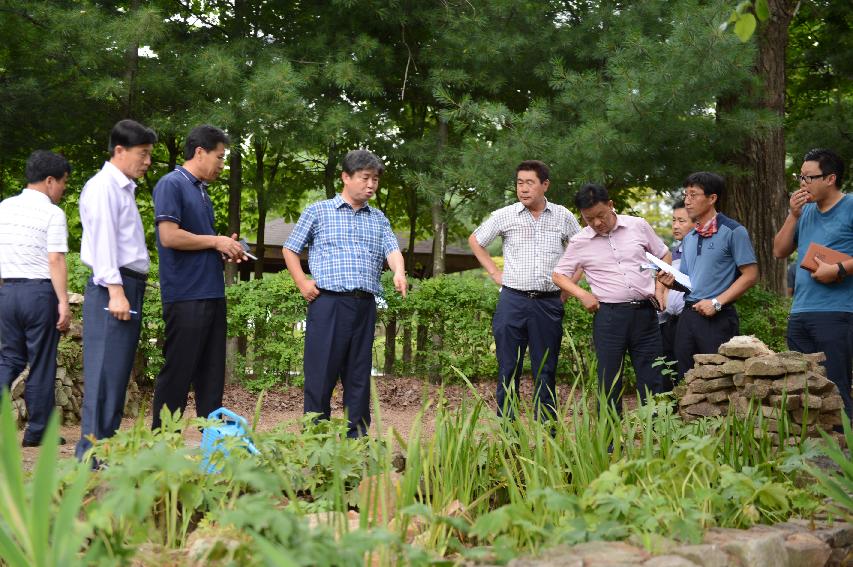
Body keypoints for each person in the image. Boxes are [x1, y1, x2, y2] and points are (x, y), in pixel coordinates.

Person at [283, 149, 407, 438]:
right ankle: (317, 439)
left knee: (359, 375)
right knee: (321, 374)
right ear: (346, 177)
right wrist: (303, 283)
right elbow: (290, 249)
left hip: (364, 304)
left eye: (375, 179)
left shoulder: (378, 218)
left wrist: (399, 271)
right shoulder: (318, 211)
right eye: (365, 178)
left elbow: (392, 250)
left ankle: (358, 440)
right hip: (328, 303)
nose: (371, 185)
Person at [151, 125, 246, 430]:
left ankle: (213, 445)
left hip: (211, 292)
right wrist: (216, 241)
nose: (222, 164)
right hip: (185, 294)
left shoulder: (201, 191)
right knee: (179, 371)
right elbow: (169, 236)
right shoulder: (171, 184)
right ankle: (162, 444)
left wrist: (224, 248)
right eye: (219, 157)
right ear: (200, 152)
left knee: (211, 374)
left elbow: (198, 242)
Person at [468, 160, 581, 419]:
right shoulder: (505, 215)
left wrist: (569, 287)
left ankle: (547, 429)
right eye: (520, 183)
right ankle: (508, 430)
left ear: (545, 185)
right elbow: (476, 240)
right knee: (508, 367)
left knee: (546, 368)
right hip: (512, 301)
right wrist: (495, 273)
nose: (523, 189)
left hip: (549, 302)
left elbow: (582, 250)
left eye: (530, 183)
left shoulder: (563, 216)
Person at [76, 119, 157, 460]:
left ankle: (102, 452)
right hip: (114, 286)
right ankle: (89, 457)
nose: (148, 161)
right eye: (143, 153)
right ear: (119, 151)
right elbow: (105, 243)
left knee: (116, 374)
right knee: (104, 376)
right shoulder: (102, 188)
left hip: (126, 285)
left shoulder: (123, 188)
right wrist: (115, 291)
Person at [552, 183, 670, 412]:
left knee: (653, 375)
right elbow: (558, 275)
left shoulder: (638, 226)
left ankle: (657, 436)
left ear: (610, 205)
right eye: (589, 219)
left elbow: (663, 253)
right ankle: (609, 444)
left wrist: (659, 287)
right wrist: (582, 294)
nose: (596, 223)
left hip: (645, 313)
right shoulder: (580, 242)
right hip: (609, 317)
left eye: (600, 216)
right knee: (609, 379)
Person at [772, 148, 853, 418]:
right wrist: (793, 215)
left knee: (835, 387)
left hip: (837, 312)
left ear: (830, 178)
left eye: (808, 177)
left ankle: (844, 453)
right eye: (800, 177)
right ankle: (815, 451)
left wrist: (839, 269)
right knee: (803, 387)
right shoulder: (804, 212)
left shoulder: (850, 205)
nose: (802, 184)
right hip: (800, 313)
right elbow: (779, 251)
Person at [0, 151, 71, 446]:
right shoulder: (52, 213)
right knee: (42, 363)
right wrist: (63, 303)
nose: (64, 189)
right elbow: (55, 259)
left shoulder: (4, 207)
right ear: (50, 180)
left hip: (7, 293)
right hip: (38, 293)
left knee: (8, 359)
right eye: (64, 183)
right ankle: (37, 433)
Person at [658, 172, 758, 379]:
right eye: (686, 194)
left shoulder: (733, 231)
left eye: (694, 195)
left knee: (719, 379)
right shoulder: (690, 237)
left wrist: (717, 302)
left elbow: (750, 275)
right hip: (687, 316)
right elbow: (688, 282)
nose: (687, 200)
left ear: (712, 198)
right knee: (685, 377)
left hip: (718, 317)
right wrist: (671, 281)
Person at [658, 199, 689, 377]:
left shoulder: (700, 252)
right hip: (670, 320)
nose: (676, 226)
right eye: (673, 220)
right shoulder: (673, 251)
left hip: (690, 317)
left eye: (681, 221)